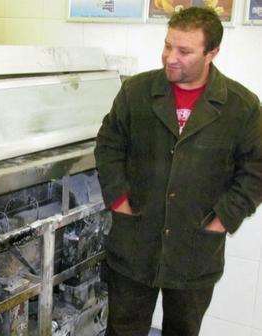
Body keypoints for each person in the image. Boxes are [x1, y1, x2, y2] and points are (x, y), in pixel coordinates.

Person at [94, 6, 262, 336]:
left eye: (184, 51)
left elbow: (256, 170)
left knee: (183, 331)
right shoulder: (137, 93)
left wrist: (222, 220)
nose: (171, 57)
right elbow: (108, 145)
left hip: (195, 249)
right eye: (168, 45)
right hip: (134, 241)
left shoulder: (240, 106)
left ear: (212, 52)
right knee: (122, 329)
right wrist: (118, 201)